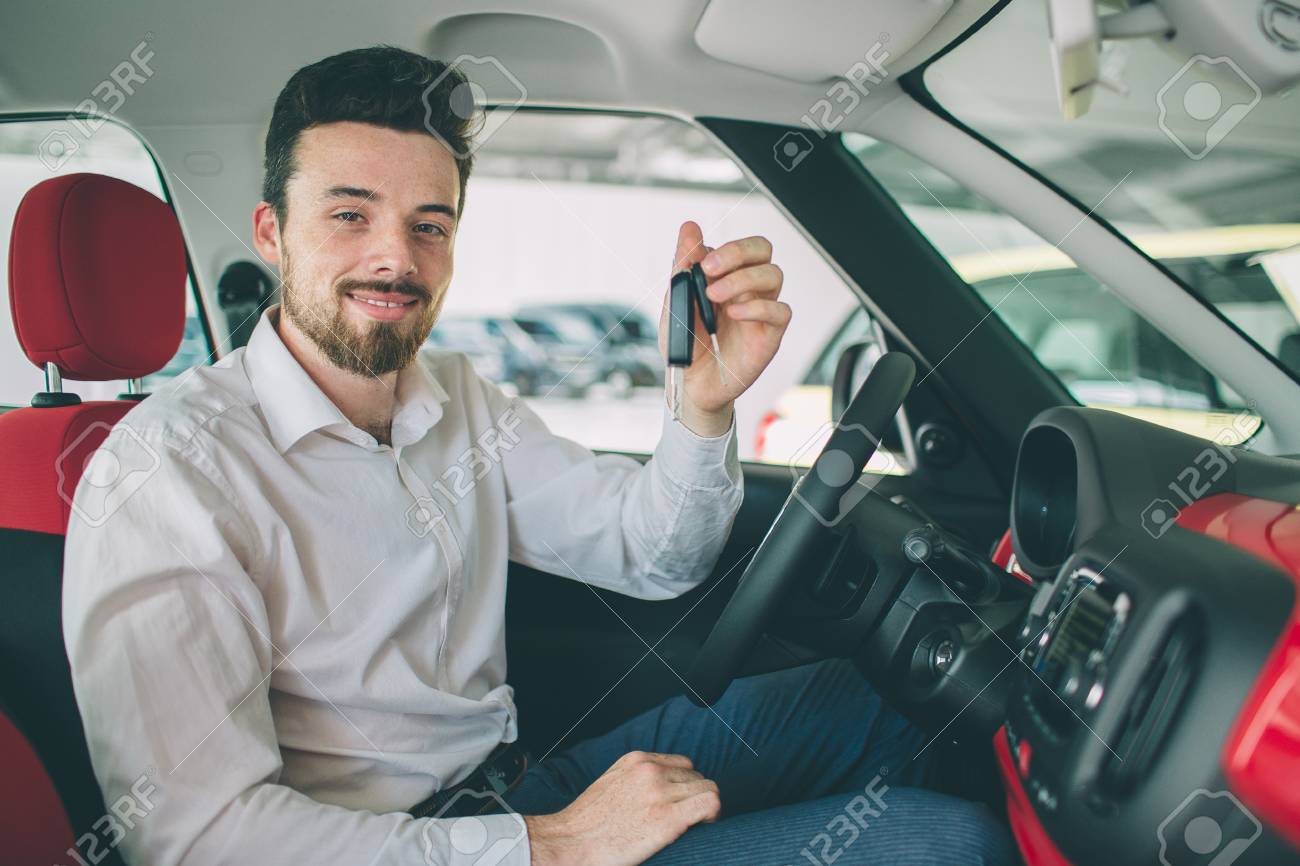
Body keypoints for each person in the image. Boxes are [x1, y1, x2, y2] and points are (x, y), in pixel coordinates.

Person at [63, 46, 1014, 866]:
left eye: (429, 224)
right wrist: (553, 845)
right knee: (949, 844)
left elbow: (652, 554)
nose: (396, 259)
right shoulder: (171, 473)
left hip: (519, 786)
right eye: (349, 215)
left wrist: (702, 407)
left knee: (888, 700)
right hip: (412, 843)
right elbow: (197, 838)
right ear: (272, 231)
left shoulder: (455, 396)